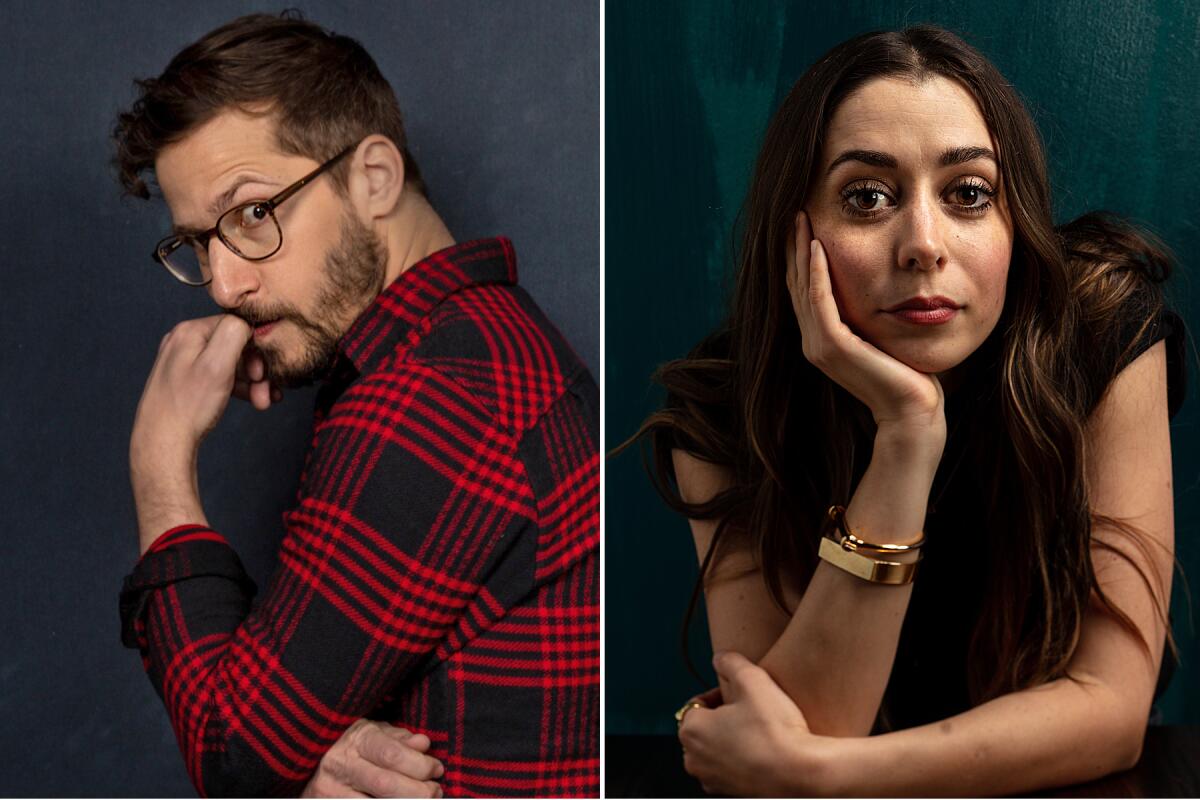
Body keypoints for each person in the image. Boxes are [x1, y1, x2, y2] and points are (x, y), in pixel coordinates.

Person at [630, 25, 1186, 796]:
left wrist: (832, 778)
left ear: (1013, 219)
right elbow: (788, 727)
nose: (923, 244)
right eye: (867, 197)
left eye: (967, 194)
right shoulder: (722, 406)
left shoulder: (1101, 325)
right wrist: (907, 435)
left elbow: (1111, 713)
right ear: (801, 233)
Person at [114, 12, 599, 798]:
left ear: (374, 177)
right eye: (202, 242)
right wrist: (310, 751)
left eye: (253, 214)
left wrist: (159, 462)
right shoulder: (474, 344)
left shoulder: (435, 398)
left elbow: (233, 754)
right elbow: (279, 733)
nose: (227, 284)